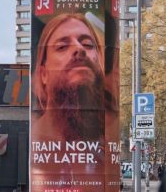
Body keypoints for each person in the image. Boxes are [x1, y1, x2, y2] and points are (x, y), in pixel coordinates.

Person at [31, 12, 110, 143]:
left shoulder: (108, 140)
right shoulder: (37, 139)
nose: (79, 48)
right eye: (62, 47)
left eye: (88, 44)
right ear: (43, 74)